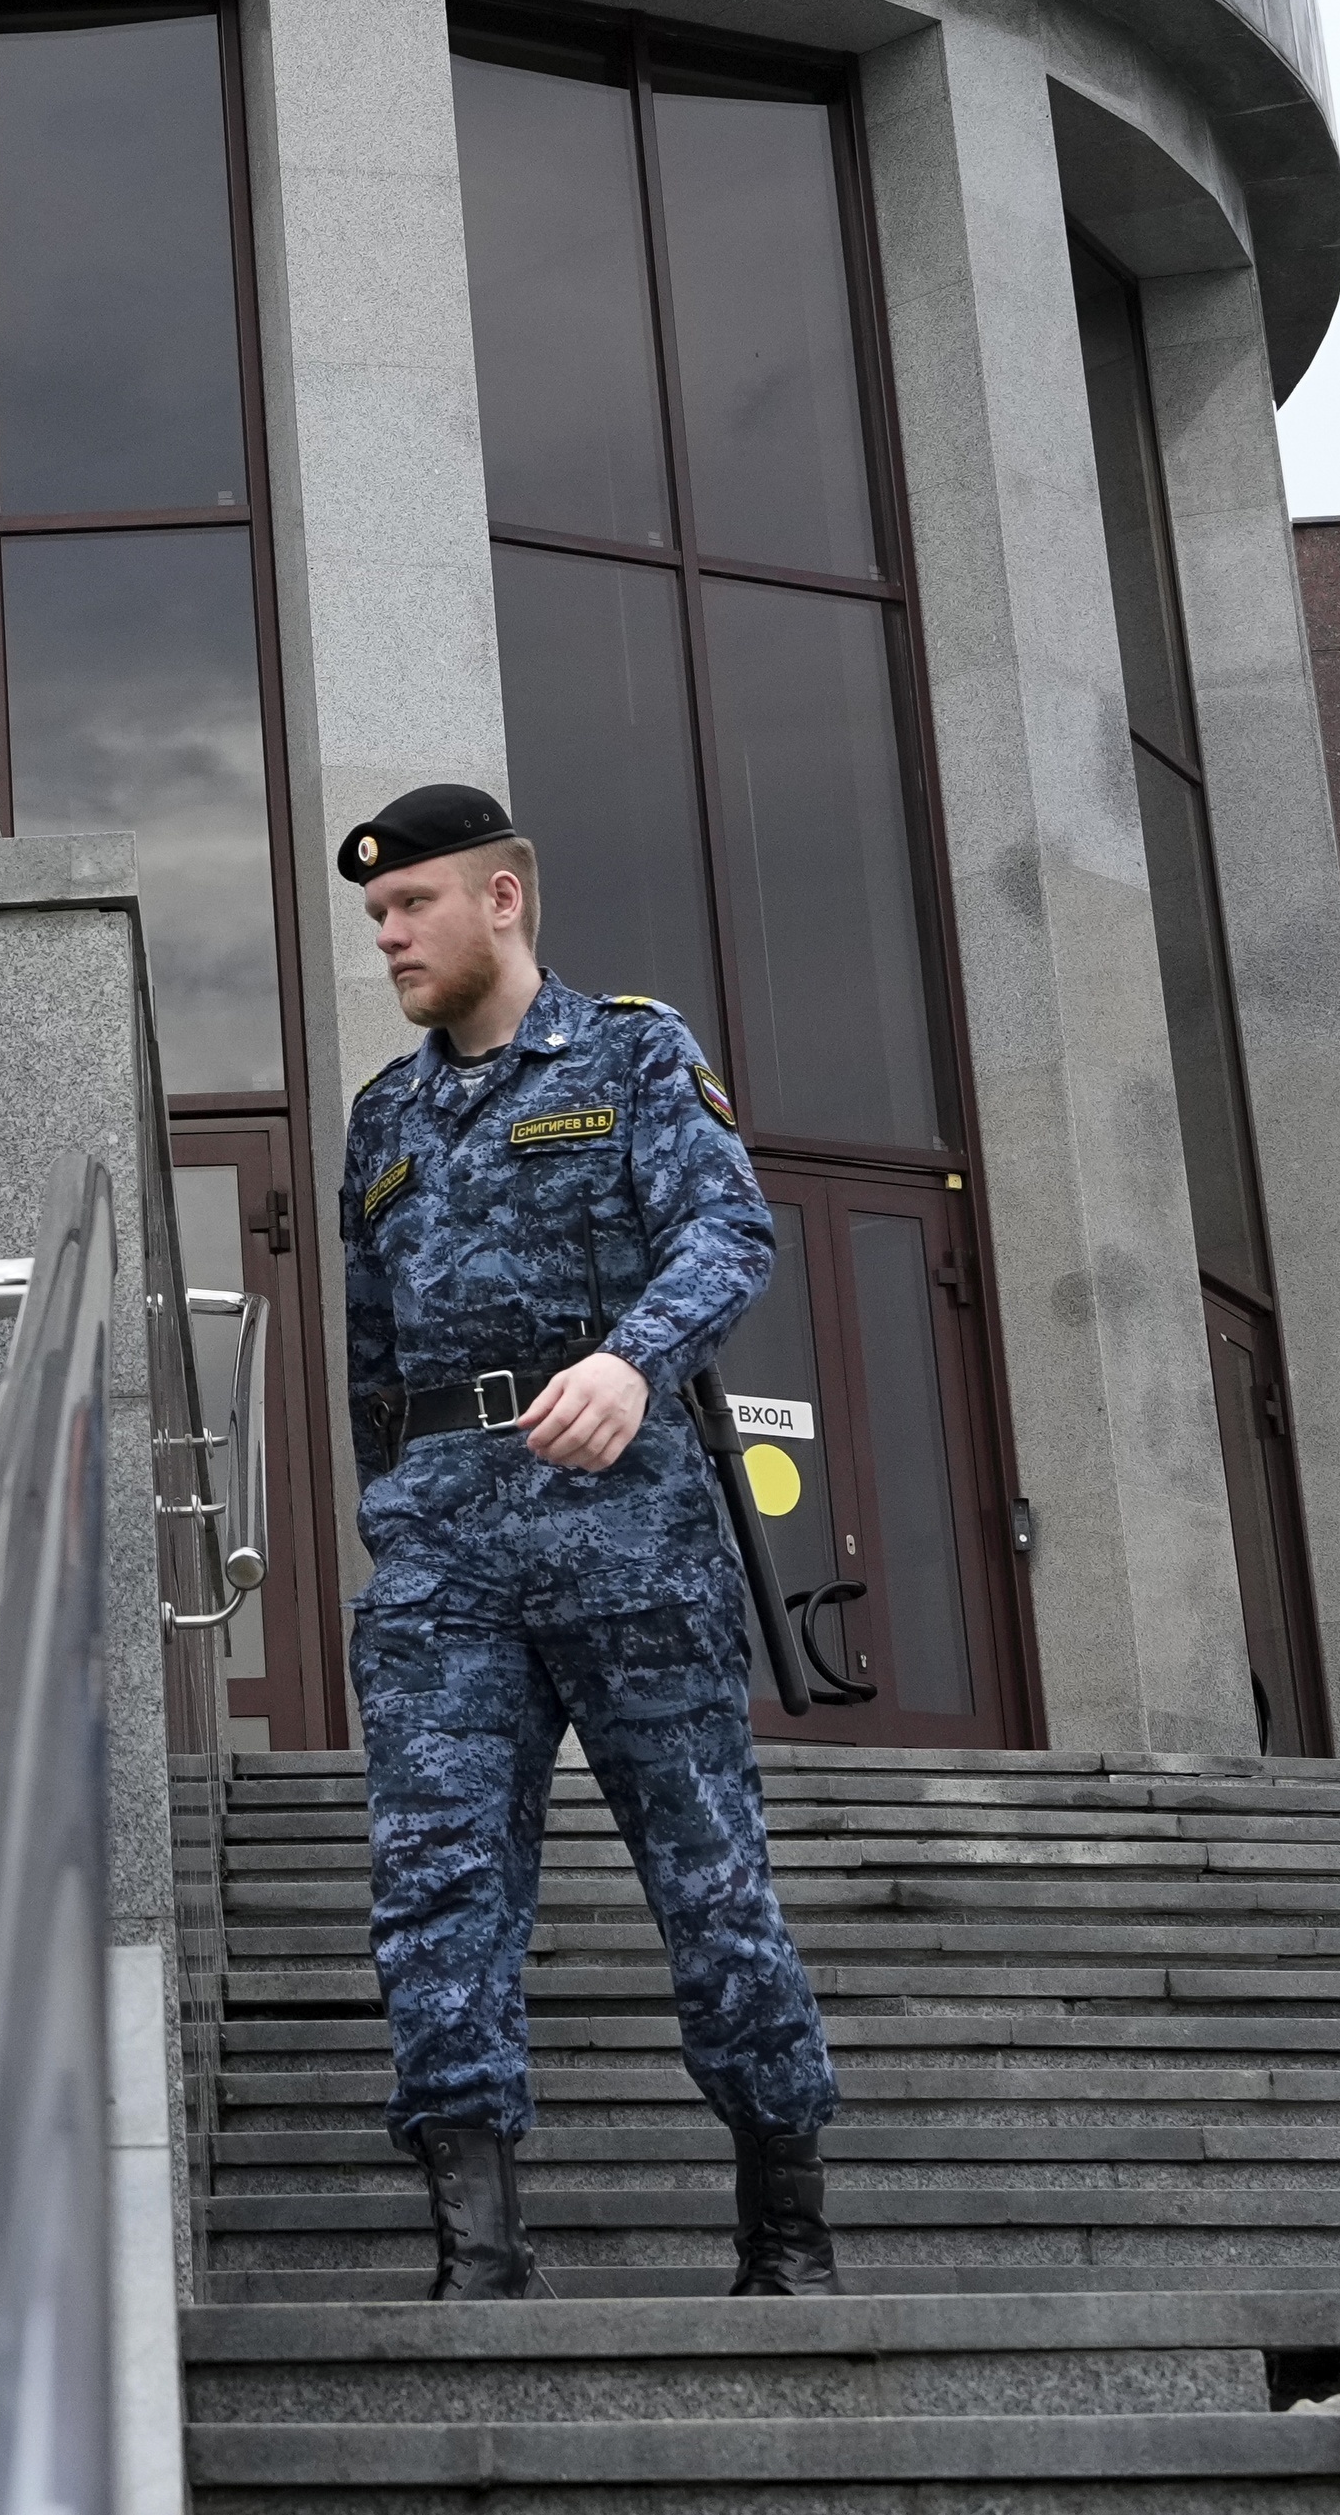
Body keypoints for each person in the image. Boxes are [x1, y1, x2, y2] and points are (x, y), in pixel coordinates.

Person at [330, 781, 842, 2299]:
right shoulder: (385, 1119)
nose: (390, 937)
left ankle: (784, 2225)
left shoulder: (631, 1051)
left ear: (503, 899)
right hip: (443, 1557)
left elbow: (729, 1228)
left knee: (709, 1878)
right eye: (373, 917)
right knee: (435, 1886)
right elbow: (372, 1353)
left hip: (629, 1535)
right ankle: (476, 2252)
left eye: (412, 905)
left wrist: (633, 1358)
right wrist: (391, 1508)